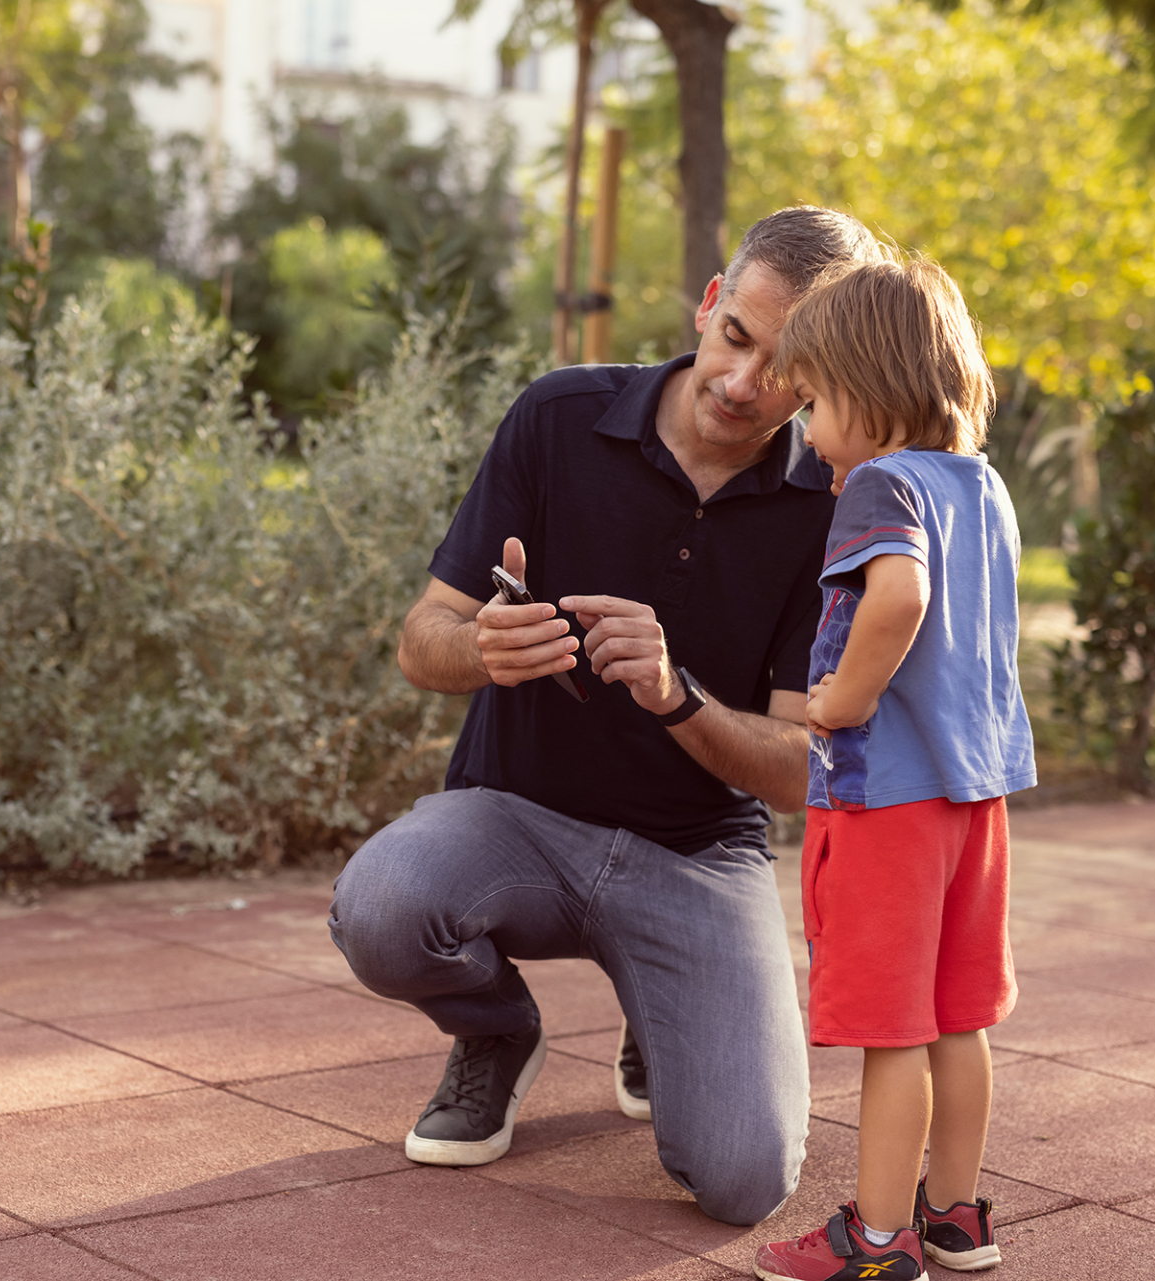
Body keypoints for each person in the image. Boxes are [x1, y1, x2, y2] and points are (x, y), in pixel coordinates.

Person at [327, 206, 882, 1227]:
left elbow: (802, 770)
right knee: (382, 907)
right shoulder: (557, 417)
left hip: (697, 853)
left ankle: (657, 1010)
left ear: (828, 376)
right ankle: (497, 1030)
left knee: (745, 1181)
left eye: (786, 370)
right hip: (515, 816)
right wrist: (482, 649)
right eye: (736, 337)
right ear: (709, 304)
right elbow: (421, 638)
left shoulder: (834, 505)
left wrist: (679, 696)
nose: (742, 383)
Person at [749, 254, 1036, 1281]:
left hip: (890, 804)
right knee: (959, 1017)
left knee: (893, 1029)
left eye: (816, 403)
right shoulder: (983, 486)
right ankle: (956, 1217)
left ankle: (876, 1242)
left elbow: (901, 598)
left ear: (868, 391)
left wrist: (842, 700)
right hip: (975, 799)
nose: (808, 431)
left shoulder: (881, 483)